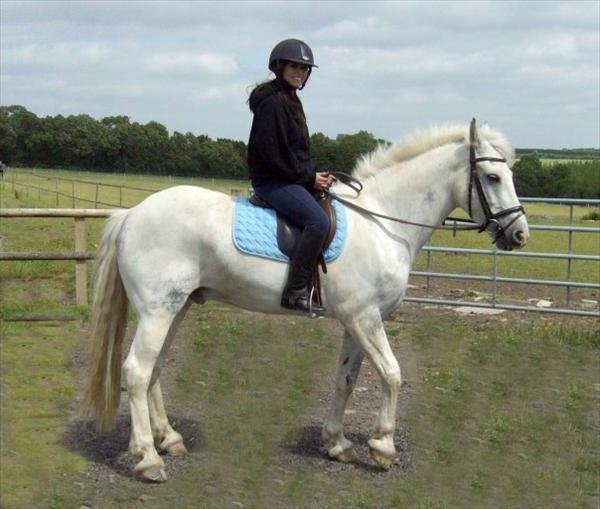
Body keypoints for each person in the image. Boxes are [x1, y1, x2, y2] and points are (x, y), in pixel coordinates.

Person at [247, 38, 333, 315]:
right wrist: (309, 178)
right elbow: (274, 155)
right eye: (295, 66)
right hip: (273, 181)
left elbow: (297, 152)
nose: (300, 72)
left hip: (289, 177)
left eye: (305, 68)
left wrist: (318, 172)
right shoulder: (272, 103)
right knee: (318, 221)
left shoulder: (291, 100)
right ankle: (295, 292)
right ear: (280, 66)